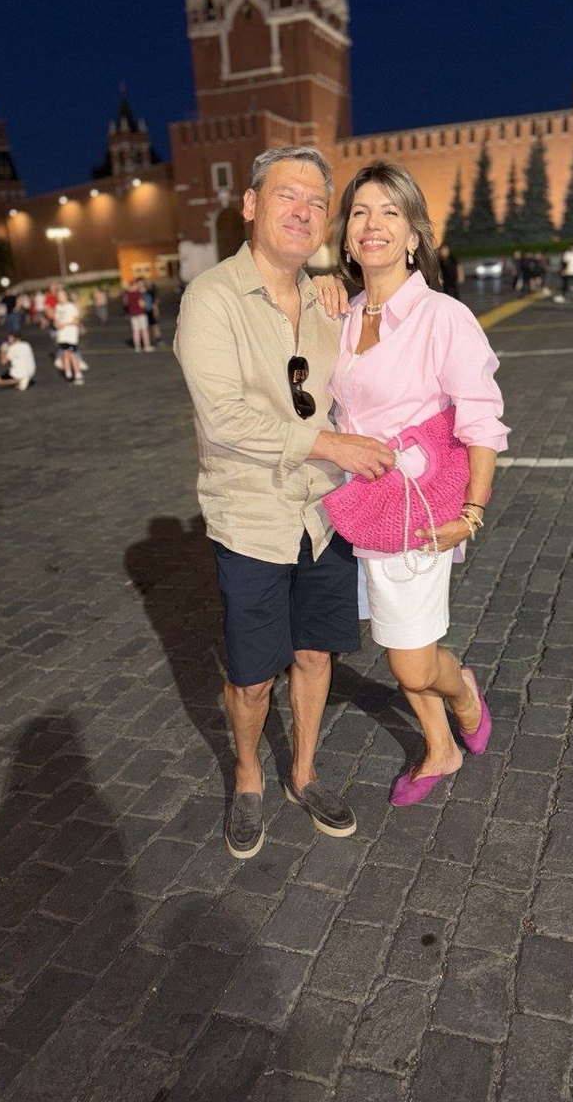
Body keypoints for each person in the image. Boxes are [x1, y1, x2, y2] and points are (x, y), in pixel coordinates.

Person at [174, 146, 394, 859]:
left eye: (315, 202)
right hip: (252, 517)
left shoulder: (329, 302)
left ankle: (303, 772)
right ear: (250, 205)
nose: (302, 211)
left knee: (315, 653)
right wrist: (330, 445)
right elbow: (225, 420)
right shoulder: (211, 299)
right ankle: (247, 776)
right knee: (250, 676)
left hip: (323, 515)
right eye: (285, 195)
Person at [327, 162, 509, 805]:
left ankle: (464, 695)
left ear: (414, 235)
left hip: (422, 506)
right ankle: (440, 748)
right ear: (346, 235)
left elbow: (481, 419)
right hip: (362, 505)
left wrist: (472, 511)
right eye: (359, 212)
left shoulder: (441, 316)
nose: (372, 224)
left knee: (408, 657)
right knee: (398, 638)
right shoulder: (341, 316)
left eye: (390, 212)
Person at [53, 288, 84, 383]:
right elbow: (55, 321)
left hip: (70, 336)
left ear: (66, 296)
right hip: (62, 336)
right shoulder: (58, 307)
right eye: (58, 296)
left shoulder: (71, 306)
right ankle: (68, 373)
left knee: (72, 354)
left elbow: (76, 320)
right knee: (65, 354)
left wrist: (65, 324)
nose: (60, 297)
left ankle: (78, 374)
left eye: (62, 295)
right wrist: (57, 325)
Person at [125, 279, 153, 352]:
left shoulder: (128, 295)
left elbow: (126, 304)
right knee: (144, 330)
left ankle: (137, 346)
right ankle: (147, 345)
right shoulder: (138, 294)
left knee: (135, 331)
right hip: (141, 314)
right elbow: (142, 304)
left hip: (133, 315)